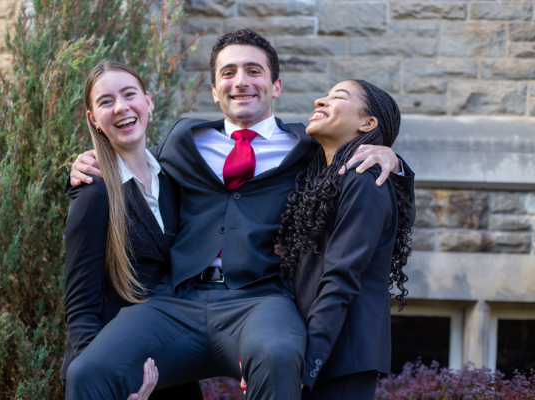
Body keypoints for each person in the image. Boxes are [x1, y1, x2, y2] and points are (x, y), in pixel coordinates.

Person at [65, 30, 415, 399]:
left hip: (261, 300)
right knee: (90, 371)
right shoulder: (182, 140)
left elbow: (354, 157)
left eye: (253, 71)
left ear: (275, 85)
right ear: (215, 91)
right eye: (228, 73)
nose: (241, 82)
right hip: (176, 300)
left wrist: (393, 158)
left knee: (279, 354)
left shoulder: (309, 147)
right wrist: (82, 169)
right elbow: (131, 159)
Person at [61, 60, 202, 400]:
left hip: (171, 367)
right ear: (93, 118)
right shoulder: (94, 191)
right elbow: (80, 310)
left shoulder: (172, 178)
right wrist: (109, 380)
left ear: (148, 100)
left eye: (129, 94)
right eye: (106, 101)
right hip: (120, 378)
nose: (121, 107)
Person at [277, 79, 412, 399]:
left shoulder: (367, 180)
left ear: (367, 123)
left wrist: (307, 366)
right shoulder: (320, 175)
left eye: (337, 97)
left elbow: (341, 277)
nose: (320, 101)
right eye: (323, 94)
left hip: (339, 359)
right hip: (310, 347)